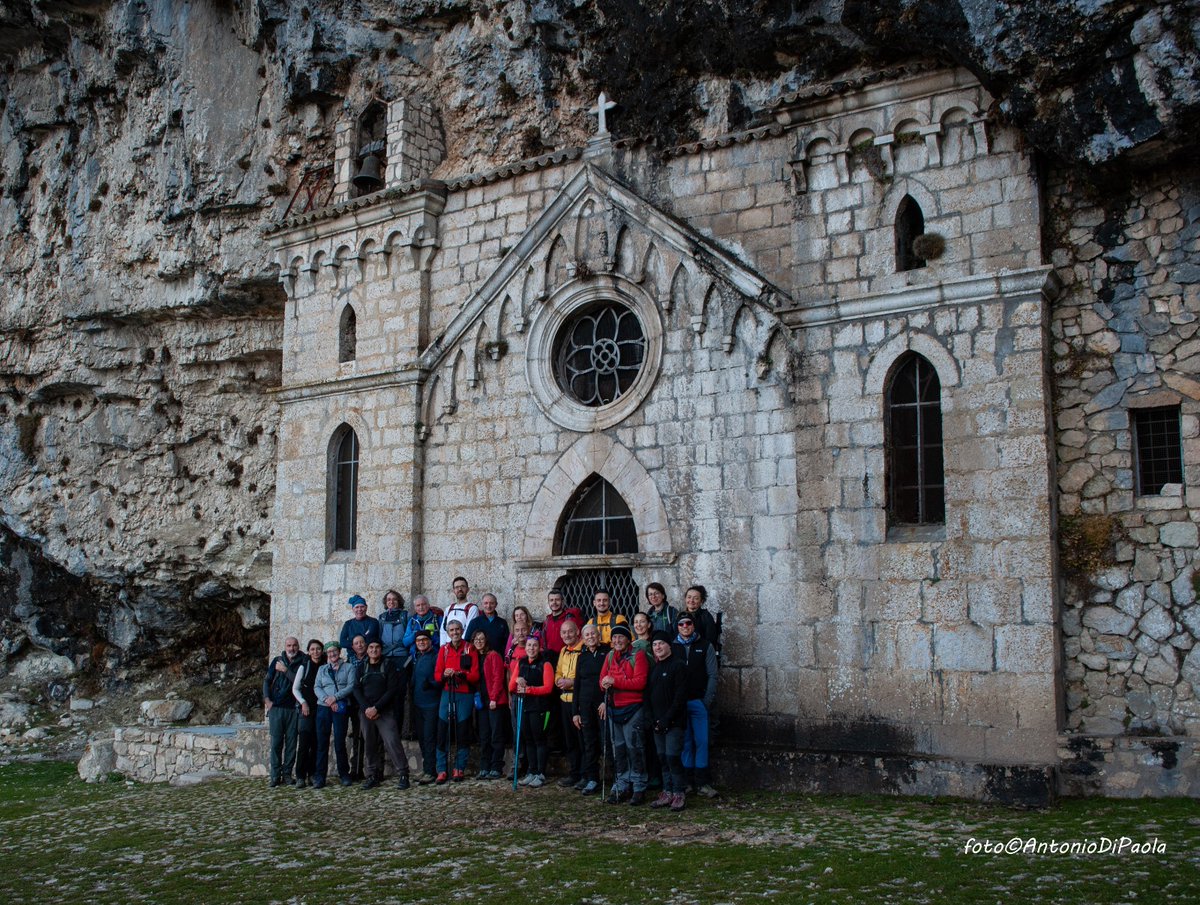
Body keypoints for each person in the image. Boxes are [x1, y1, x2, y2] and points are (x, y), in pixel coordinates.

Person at [599, 624, 648, 805]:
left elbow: (640, 682)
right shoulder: (610, 656)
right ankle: (621, 784)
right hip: (614, 709)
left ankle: (639, 786)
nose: (617, 641)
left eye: (621, 637)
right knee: (618, 749)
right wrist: (604, 684)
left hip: (633, 708)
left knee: (634, 748)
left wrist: (615, 681)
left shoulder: (638, 656)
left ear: (629, 639)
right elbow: (602, 679)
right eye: (614, 638)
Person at [354, 640, 411, 790]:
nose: (374, 650)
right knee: (370, 744)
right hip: (366, 712)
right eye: (371, 647)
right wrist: (367, 708)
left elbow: (392, 689)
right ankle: (372, 774)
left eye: (377, 647)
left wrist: (377, 708)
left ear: (381, 650)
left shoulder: (389, 665)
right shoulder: (361, 667)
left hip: (384, 711)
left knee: (392, 741)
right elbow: (356, 689)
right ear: (367, 650)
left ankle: (403, 773)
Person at [674, 612, 719, 798]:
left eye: (688, 623)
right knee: (685, 743)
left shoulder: (705, 646)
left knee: (701, 741)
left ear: (693, 625)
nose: (685, 627)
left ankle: (702, 782)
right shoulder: (672, 646)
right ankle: (687, 782)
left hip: (698, 702)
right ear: (677, 627)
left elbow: (712, 675)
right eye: (681, 624)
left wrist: (706, 701)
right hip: (680, 704)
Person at [646, 630, 689, 811]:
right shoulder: (655, 669)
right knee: (662, 758)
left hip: (674, 723)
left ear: (669, 645)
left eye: (661, 644)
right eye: (655, 645)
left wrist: (667, 719)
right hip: (657, 723)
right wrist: (653, 719)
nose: (658, 647)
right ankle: (667, 791)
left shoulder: (678, 666)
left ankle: (679, 792)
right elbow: (648, 696)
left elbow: (680, 698)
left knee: (672, 757)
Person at [434, 619, 479, 782]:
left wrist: (461, 673)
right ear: (448, 632)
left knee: (462, 730)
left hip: (464, 693)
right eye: (451, 630)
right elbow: (437, 675)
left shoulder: (470, 648)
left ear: (462, 630)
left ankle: (459, 768)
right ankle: (441, 769)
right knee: (442, 730)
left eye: (457, 629)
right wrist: (445, 674)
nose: (454, 633)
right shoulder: (443, 650)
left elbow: (475, 675)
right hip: (447, 692)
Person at [511, 634, 555, 787]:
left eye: (534, 645)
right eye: (529, 645)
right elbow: (512, 686)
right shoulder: (521, 662)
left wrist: (528, 689)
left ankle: (540, 773)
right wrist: (517, 681)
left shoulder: (545, 664)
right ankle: (531, 770)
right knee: (528, 739)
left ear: (539, 647)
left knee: (539, 739)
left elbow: (548, 688)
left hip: (540, 707)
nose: (531, 648)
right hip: (524, 706)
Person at [571, 624, 609, 795]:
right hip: (585, 706)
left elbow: (611, 678)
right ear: (583, 638)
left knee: (606, 740)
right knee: (589, 742)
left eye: (593, 634)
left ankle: (615, 779)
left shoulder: (607, 653)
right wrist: (575, 712)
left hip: (602, 706)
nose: (591, 637)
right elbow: (577, 685)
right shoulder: (582, 656)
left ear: (599, 635)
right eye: (587, 635)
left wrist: (606, 701)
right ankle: (592, 778)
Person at [314, 642, 356, 788]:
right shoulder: (322, 669)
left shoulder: (349, 668)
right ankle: (320, 776)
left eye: (334, 651)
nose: (332, 654)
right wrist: (327, 699)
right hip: (324, 707)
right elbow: (317, 687)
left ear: (339, 651)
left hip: (340, 707)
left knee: (339, 741)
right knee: (322, 743)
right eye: (329, 652)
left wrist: (335, 697)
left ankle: (344, 774)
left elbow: (351, 686)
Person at [263, 636, 304, 787]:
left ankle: (287, 774)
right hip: (277, 708)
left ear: (298, 646)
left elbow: (300, 682)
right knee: (276, 743)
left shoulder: (303, 661)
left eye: (294, 645)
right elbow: (267, 680)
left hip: (293, 708)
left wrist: (286, 670)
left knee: (292, 743)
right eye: (289, 645)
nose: (292, 648)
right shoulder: (277, 660)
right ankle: (275, 775)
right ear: (285, 646)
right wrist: (267, 701)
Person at [473, 629, 508, 780]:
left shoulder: (493, 655)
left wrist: (493, 698)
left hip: (494, 701)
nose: (479, 642)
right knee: (484, 736)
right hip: (481, 702)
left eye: (481, 639)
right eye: (476, 640)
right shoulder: (475, 657)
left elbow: (498, 678)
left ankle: (496, 767)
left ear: (486, 640)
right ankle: (484, 766)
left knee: (496, 735)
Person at [554, 620, 584, 788]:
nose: (567, 635)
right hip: (564, 699)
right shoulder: (563, 651)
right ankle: (574, 773)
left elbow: (584, 676)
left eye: (570, 632)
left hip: (577, 699)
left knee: (582, 739)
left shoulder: (583, 649)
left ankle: (585, 774)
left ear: (577, 631)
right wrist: (559, 680)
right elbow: (558, 670)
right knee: (570, 740)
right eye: (564, 632)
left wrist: (571, 682)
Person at [291, 638, 325, 788]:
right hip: (306, 709)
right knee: (304, 742)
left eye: (318, 649)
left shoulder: (325, 665)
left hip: (321, 708)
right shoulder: (304, 666)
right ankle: (300, 775)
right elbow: (295, 688)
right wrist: (303, 702)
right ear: (308, 651)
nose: (315, 652)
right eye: (312, 649)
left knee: (316, 742)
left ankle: (312, 774)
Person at [409, 630, 440, 784]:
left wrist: (432, 684)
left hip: (432, 704)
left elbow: (440, 680)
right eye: (418, 640)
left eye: (424, 640)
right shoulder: (418, 657)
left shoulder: (436, 656)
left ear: (430, 641)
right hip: (418, 703)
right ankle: (426, 768)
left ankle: (431, 770)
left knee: (429, 738)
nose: (421, 642)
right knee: (422, 738)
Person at [379, 589, 410, 730]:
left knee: (400, 694)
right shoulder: (382, 617)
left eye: (394, 599)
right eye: (388, 600)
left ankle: (398, 729)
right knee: (385, 693)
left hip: (401, 657)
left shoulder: (405, 616)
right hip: (386, 658)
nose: (391, 602)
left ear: (399, 601)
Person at [346, 634, 369, 781]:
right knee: (357, 737)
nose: (359, 645)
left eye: (361, 642)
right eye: (356, 643)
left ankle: (374, 770)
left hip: (370, 702)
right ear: (353, 647)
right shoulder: (349, 662)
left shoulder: (371, 657)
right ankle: (356, 769)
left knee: (373, 737)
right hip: (355, 703)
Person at [440, 577, 479, 646]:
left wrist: (459, 646)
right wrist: (443, 647)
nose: (460, 589)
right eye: (457, 587)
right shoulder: (448, 609)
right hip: (448, 648)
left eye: (462, 586)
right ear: (453, 590)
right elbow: (443, 630)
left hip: (462, 647)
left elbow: (468, 630)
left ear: (467, 589)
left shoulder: (472, 608)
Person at [542, 587, 582, 655]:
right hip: (550, 657)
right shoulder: (547, 621)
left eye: (557, 600)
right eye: (551, 600)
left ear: (562, 601)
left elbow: (579, 637)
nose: (554, 602)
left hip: (567, 655)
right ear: (548, 602)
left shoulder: (570, 618)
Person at [682, 585, 721, 653]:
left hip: (701, 652)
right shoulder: (681, 616)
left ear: (701, 601)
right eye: (689, 597)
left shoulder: (706, 616)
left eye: (696, 598)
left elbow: (710, 640)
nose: (691, 600)